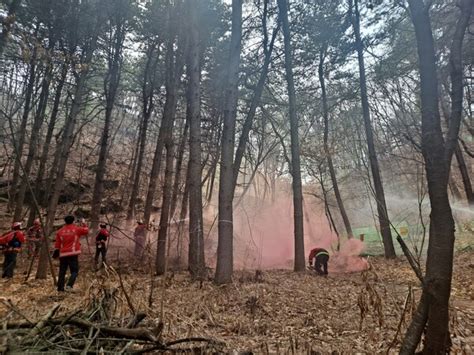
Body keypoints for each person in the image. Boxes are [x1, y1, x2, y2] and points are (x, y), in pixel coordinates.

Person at [53, 216, 89, 292]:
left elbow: (57, 245)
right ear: (73, 221)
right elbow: (86, 231)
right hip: (73, 253)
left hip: (63, 254)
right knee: (75, 271)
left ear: (65, 221)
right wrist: (83, 223)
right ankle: (69, 285)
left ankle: (60, 288)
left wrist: (56, 253)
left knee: (62, 272)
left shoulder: (60, 231)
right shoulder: (76, 229)